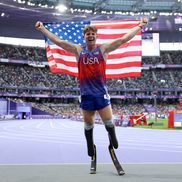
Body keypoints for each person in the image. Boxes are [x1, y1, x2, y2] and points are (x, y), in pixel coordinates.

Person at [35, 18, 148, 173]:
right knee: (88, 125)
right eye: (87, 33)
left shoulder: (103, 49)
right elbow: (58, 41)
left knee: (109, 122)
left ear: (96, 36)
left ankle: (113, 137)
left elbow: (123, 39)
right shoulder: (78, 50)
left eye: (92, 33)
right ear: (84, 37)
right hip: (86, 95)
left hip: (101, 94)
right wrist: (42, 29)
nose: (90, 35)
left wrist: (139, 26)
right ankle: (90, 147)